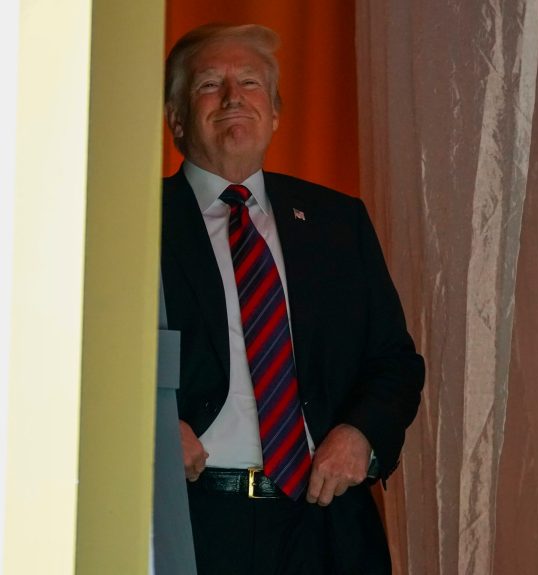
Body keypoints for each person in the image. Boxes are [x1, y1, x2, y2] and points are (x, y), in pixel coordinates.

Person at [160, 23, 424, 575]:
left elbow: (394, 362)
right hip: (192, 518)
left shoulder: (336, 221)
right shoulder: (133, 222)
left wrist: (359, 435)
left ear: (275, 112)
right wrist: (151, 427)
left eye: (251, 83)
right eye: (210, 84)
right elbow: (80, 355)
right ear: (177, 119)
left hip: (326, 525)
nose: (234, 97)